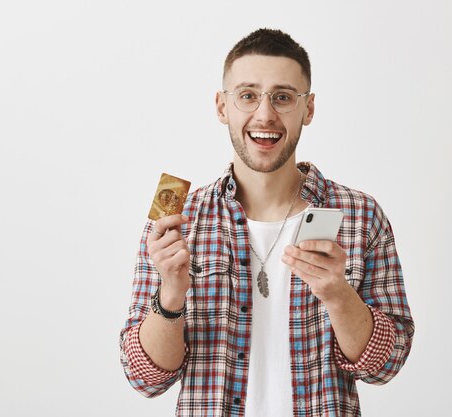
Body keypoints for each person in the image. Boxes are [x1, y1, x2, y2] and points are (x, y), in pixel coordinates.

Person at [120, 28, 414, 417]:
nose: (265, 114)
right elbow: (145, 379)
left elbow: (385, 367)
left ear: (307, 109)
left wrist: (339, 295)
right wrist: (171, 294)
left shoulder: (360, 215)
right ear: (222, 107)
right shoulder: (175, 224)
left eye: (282, 97)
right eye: (247, 95)